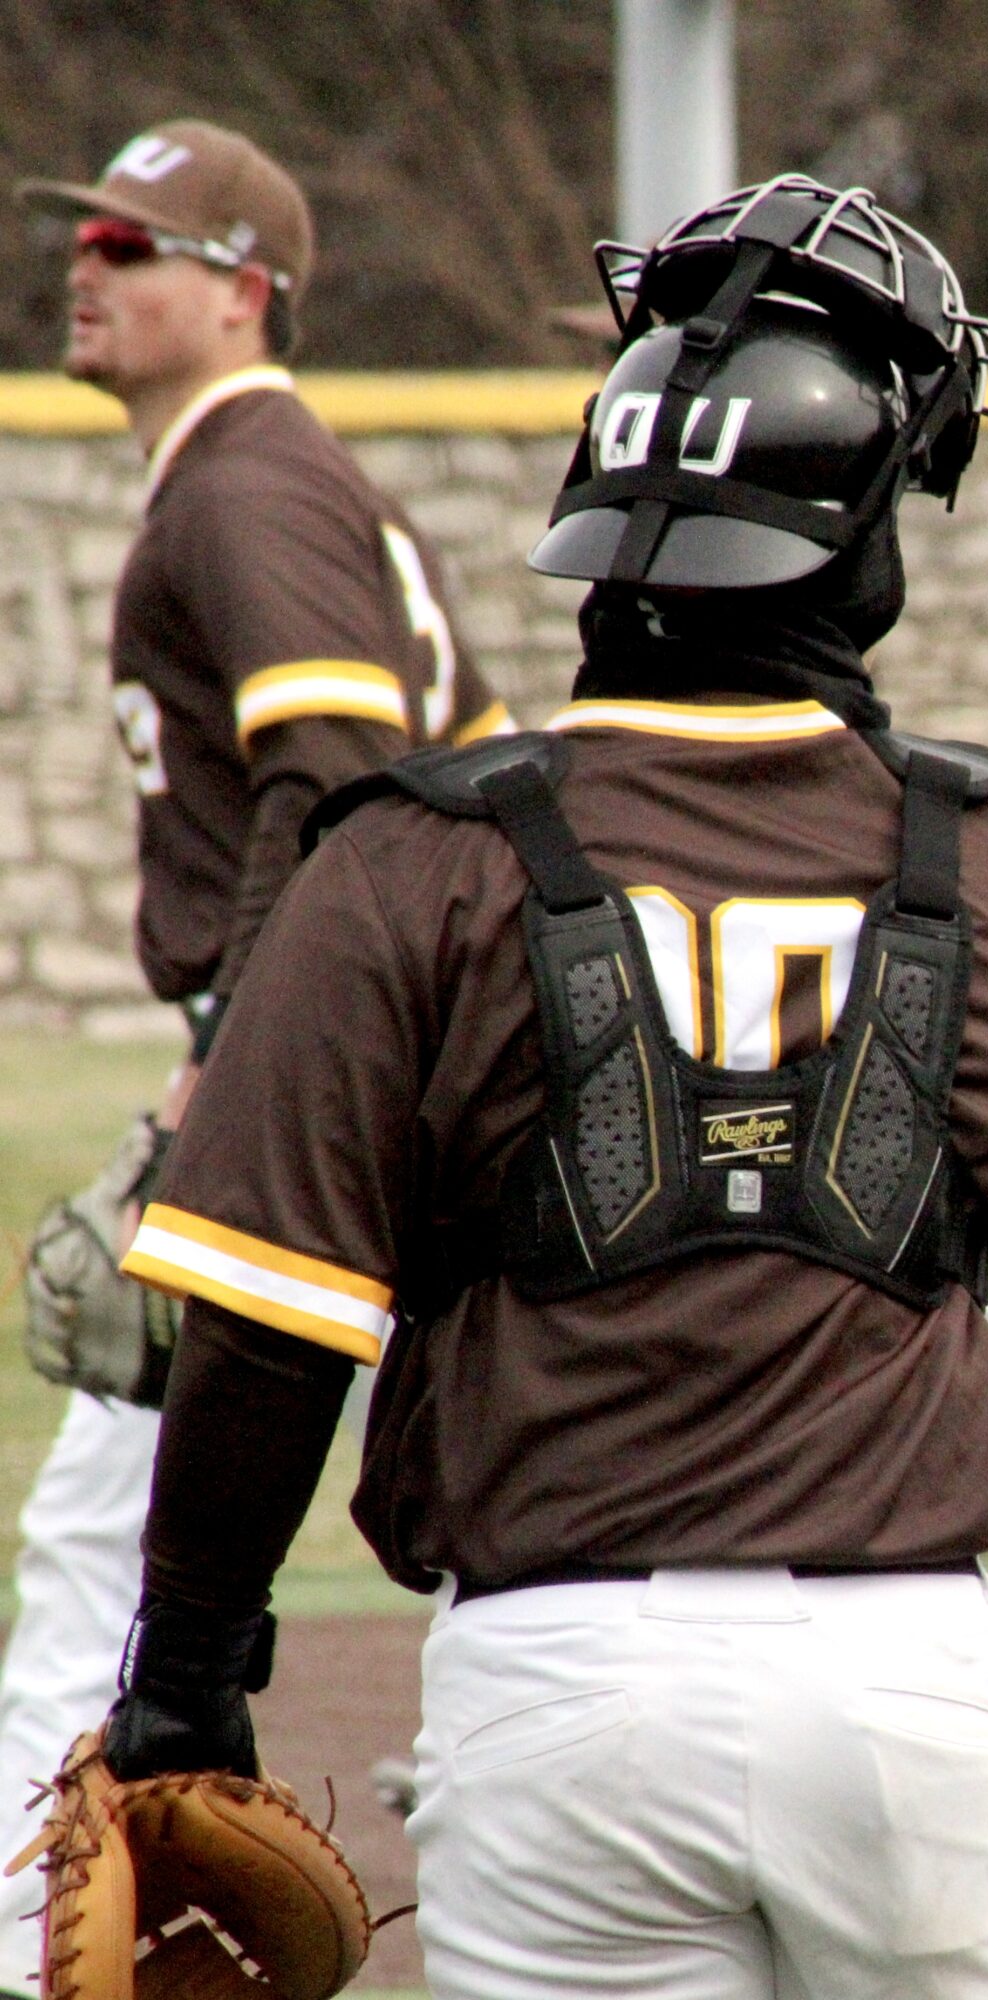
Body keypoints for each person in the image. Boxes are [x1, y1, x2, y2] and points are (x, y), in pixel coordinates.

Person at [106, 174, 988, 2000]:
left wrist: (186, 1692)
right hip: (909, 1693)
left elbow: (266, 1338)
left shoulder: (402, 865)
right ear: (859, 547)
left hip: (557, 1692)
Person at [0, 120, 509, 1996]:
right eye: (87, 234)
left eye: (136, 241)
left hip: (364, 1058)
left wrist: (237, 1048)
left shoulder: (246, 483)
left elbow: (338, 771)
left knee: (101, 1527)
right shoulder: (261, 476)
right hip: (419, 1049)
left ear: (243, 291)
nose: (90, 263)